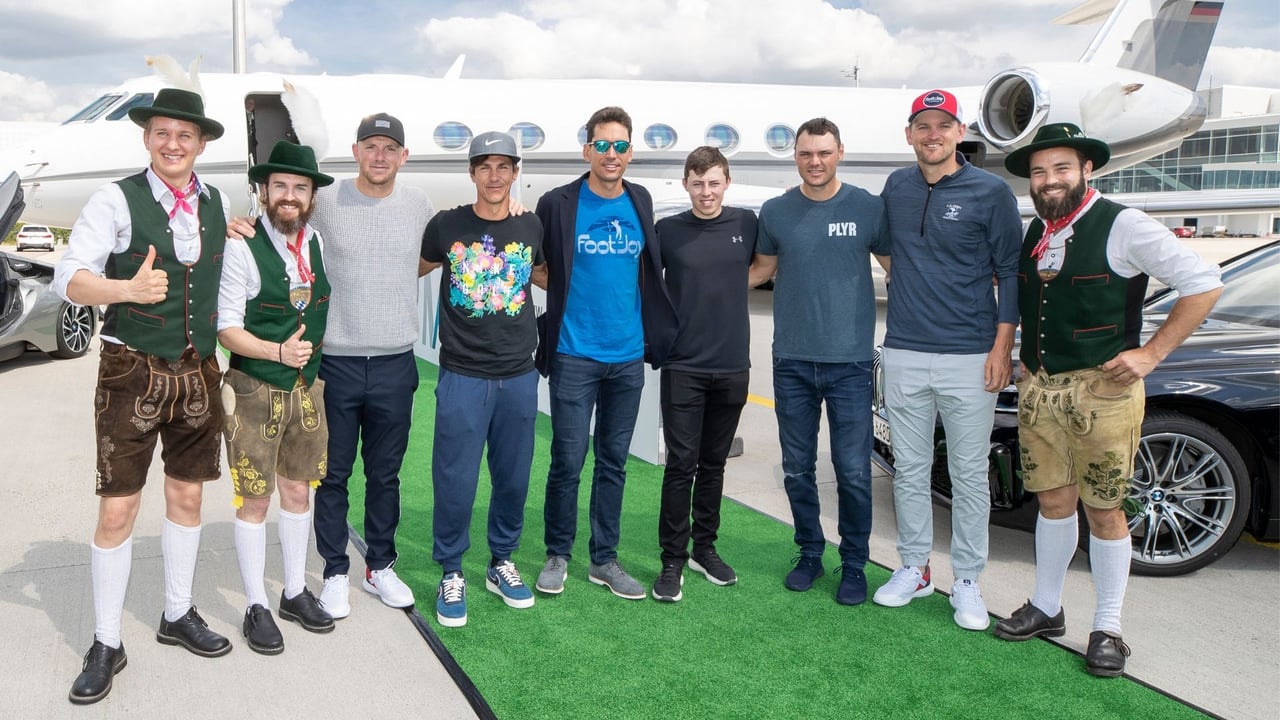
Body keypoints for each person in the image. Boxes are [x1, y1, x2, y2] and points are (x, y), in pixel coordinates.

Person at [992, 123, 1222, 676]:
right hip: (1043, 389)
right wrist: (1025, 358)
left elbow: (1205, 281)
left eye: (1061, 168)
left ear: (1086, 169)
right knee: (1051, 501)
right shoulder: (1038, 231)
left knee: (1104, 508)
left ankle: (1109, 627)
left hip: (1103, 392)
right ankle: (1048, 607)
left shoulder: (1122, 224)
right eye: (1040, 172)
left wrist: (1152, 354)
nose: (1049, 180)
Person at [54, 88, 233, 705]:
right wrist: (124, 289)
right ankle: (107, 641)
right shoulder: (116, 199)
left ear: (202, 143)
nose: (173, 144)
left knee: (188, 496)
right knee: (117, 510)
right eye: (162, 133)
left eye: (185, 135)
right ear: (146, 137)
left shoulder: (217, 201)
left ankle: (176, 613)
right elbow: (69, 278)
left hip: (199, 373)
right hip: (131, 373)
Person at [872, 90, 1022, 630]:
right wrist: (904, 277)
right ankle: (914, 567)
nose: (931, 135)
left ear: (960, 132)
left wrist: (1002, 349)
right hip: (905, 350)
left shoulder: (991, 192)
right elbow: (889, 247)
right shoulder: (897, 185)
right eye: (922, 126)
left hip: (969, 356)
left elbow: (1010, 272)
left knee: (968, 475)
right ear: (908, 134)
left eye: (942, 125)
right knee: (909, 470)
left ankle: (967, 580)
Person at [533, 106, 678, 600]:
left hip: (627, 357)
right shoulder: (558, 203)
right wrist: (558, 288)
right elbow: (533, 260)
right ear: (587, 149)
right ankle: (557, 553)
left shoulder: (640, 199)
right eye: (603, 144)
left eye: (620, 146)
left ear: (630, 152)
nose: (611, 154)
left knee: (613, 461)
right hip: (574, 353)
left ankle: (604, 559)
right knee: (568, 461)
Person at [748, 118, 890, 606]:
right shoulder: (776, 212)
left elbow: (900, 270)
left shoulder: (869, 208)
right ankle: (810, 552)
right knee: (797, 468)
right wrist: (695, 282)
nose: (815, 161)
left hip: (849, 362)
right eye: (807, 153)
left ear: (840, 153)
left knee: (852, 470)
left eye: (824, 153)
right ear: (796, 157)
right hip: (791, 361)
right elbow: (760, 270)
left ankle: (854, 563)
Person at [418, 131, 547, 627]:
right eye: (484, 166)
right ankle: (452, 568)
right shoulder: (446, 225)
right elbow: (412, 268)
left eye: (503, 167)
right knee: (455, 478)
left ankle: (501, 561)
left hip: (518, 375)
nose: (494, 176)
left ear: (515, 173)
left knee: (513, 476)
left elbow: (542, 275)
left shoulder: (531, 224)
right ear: (471, 173)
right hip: (462, 374)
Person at [307, 113, 432, 616]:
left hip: (395, 363)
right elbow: (283, 233)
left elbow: (430, 255)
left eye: (390, 148)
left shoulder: (419, 204)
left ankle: (380, 566)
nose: (380, 156)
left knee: (385, 474)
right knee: (333, 475)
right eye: (371, 146)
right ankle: (334, 570)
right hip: (335, 362)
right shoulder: (326, 201)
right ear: (355, 151)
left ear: (403, 156)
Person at [217, 140, 337, 654]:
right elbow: (226, 329)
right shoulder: (242, 245)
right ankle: (254, 604)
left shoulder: (316, 243)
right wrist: (276, 351)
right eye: (280, 186)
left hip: (307, 387)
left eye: (300, 188)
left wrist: (299, 363)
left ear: (311, 197)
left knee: (297, 491)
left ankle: (292, 591)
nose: (290, 196)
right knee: (255, 498)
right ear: (263, 192)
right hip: (254, 387)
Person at [651, 146, 758, 602]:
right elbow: (646, 286)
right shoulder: (667, 231)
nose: (706, 191)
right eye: (698, 183)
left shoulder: (746, 225)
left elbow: (762, 269)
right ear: (685, 185)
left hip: (733, 365)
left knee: (713, 465)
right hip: (684, 367)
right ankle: (672, 559)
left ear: (727, 182)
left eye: (714, 182)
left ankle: (704, 549)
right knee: (681, 465)